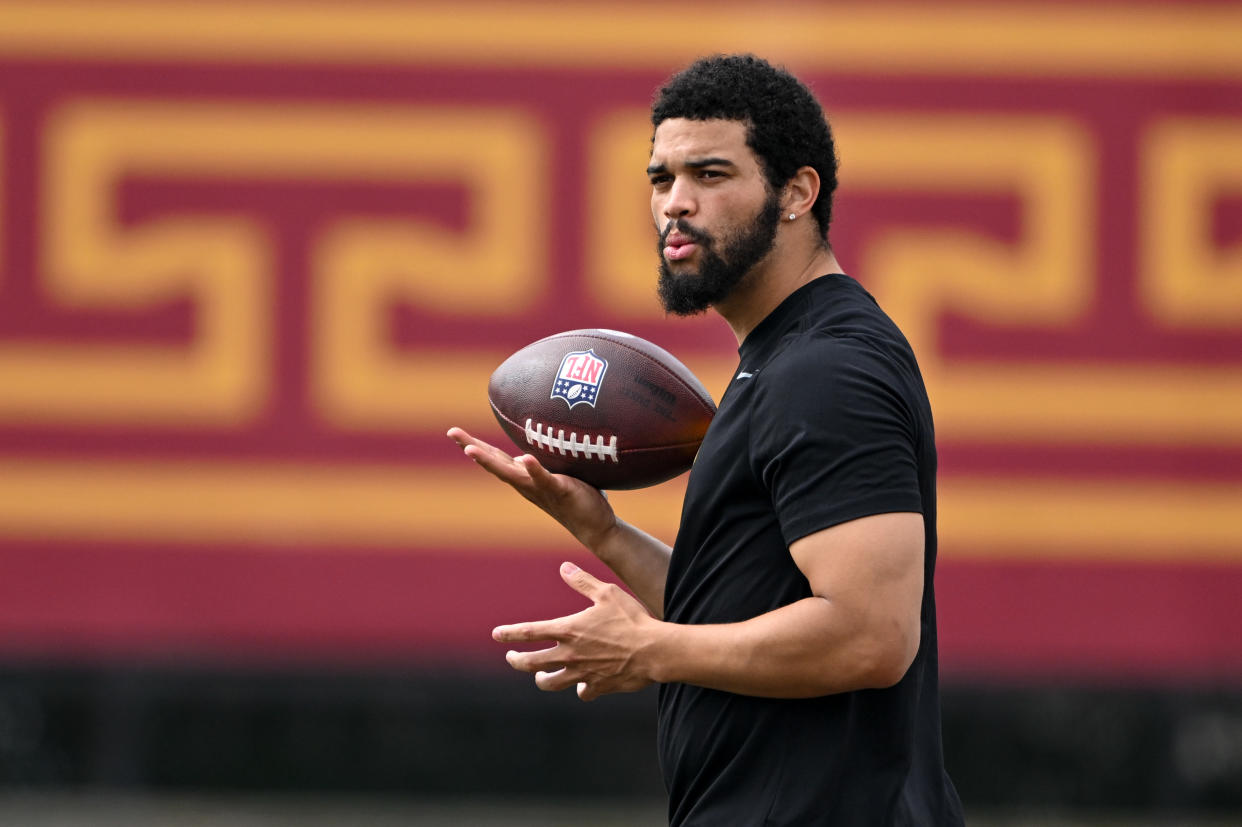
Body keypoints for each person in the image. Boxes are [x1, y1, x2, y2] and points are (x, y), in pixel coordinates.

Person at [448, 54, 964, 826]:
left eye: (711, 175)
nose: (675, 206)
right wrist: (603, 530)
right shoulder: (781, 362)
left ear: (797, 192)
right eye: (661, 179)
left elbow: (871, 635)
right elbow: (750, 611)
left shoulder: (829, 370)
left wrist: (650, 648)